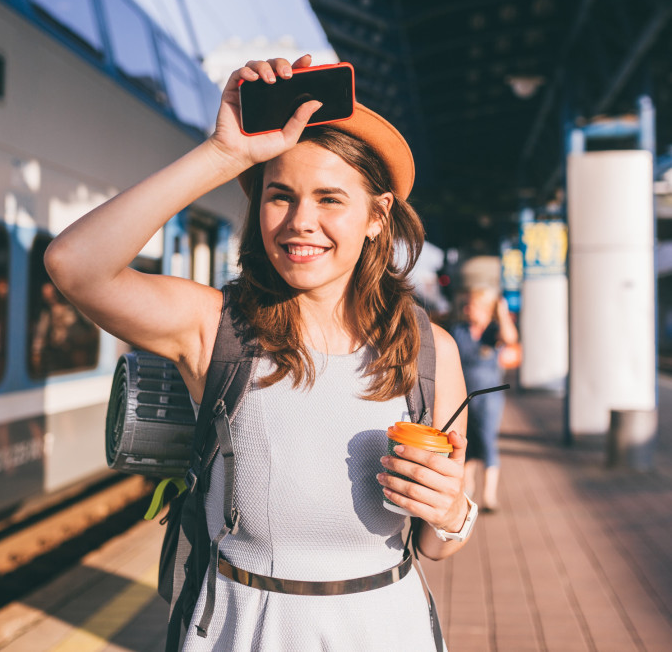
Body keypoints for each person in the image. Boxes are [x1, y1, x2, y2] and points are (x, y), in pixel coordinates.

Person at [45, 55, 472, 651]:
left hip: (385, 628)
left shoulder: (431, 352)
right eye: (279, 196)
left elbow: (436, 544)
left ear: (377, 218)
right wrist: (223, 155)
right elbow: (74, 265)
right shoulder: (217, 327)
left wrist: (453, 509)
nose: (300, 222)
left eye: (330, 199)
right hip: (244, 631)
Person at [450, 287, 519, 512]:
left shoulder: (493, 330)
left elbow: (511, 338)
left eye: (474, 306)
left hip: (489, 397)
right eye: (468, 305)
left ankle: (489, 496)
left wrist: (502, 312)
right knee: (465, 442)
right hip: (463, 396)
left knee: (488, 441)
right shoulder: (459, 331)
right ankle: (468, 489)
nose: (469, 310)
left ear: (486, 310)